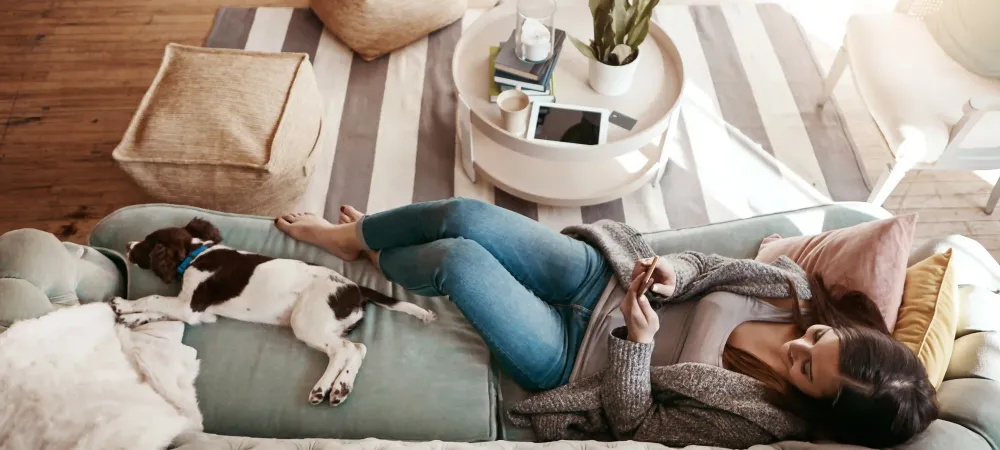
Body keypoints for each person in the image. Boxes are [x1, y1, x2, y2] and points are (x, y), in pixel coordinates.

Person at [274, 198, 937, 449]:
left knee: (458, 260)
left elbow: (638, 424)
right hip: (600, 279)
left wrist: (639, 345)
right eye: (820, 340)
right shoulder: (794, 290)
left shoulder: (757, 419)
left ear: (816, 407)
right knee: (466, 216)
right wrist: (676, 272)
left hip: (571, 356)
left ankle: (381, 255)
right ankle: (351, 236)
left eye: (804, 370)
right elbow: (708, 266)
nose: (799, 345)